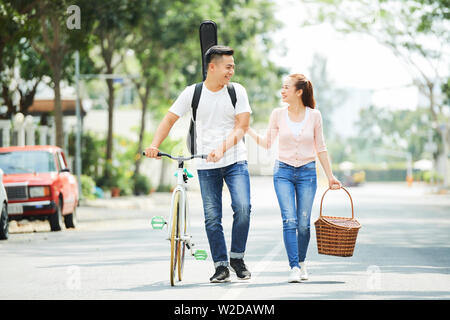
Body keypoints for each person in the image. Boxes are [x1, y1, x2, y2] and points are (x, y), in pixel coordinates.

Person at [144, 45, 252, 283]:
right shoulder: (192, 93)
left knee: (243, 208)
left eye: (233, 66)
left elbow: (241, 126)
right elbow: (169, 119)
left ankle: (237, 258)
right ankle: (221, 265)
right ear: (212, 67)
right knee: (212, 218)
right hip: (205, 164)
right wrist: (154, 145)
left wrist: (221, 149)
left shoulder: (237, 91)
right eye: (228, 66)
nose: (232, 71)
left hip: (235, 159)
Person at [247, 73, 341, 283]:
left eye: (286, 87)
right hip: (283, 173)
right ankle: (294, 267)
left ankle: (302, 261)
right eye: (282, 87)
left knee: (304, 224)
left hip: (308, 173)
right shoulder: (277, 114)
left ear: (299, 92)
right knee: (289, 220)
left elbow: (321, 148)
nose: (282, 91)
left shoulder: (315, 115)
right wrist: (248, 130)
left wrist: (331, 177)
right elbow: (266, 143)